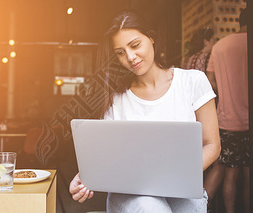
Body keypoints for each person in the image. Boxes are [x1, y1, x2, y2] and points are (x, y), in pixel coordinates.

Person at [69, 10, 220, 212]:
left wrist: (173, 174)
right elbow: (106, 157)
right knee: (150, 207)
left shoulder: (193, 81)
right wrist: (84, 178)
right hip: (131, 196)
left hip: (182, 190)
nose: (130, 57)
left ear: (151, 38)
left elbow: (212, 145)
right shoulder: (115, 99)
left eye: (135, 45)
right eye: (120, 53)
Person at [205, 8, 249, 213]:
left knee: (230, 174)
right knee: (248, 175)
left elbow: (211, 82)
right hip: (249, 122)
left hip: (227, 120)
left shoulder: (219, 46)